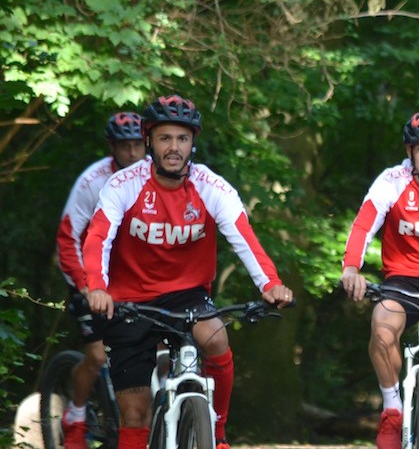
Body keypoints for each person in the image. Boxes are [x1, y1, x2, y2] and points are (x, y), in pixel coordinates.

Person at [83, 95, 294, 449]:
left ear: (193, 142)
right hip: (128, 300)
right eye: (165, 138)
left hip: (186, 293)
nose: (174, 147)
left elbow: (243, 238)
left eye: (182, 138)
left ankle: (220, 431)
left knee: (216, 338)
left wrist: (270, 283)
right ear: (149, 141)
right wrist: (97, 286)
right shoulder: (124, 184)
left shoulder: (210, 186)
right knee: (134, 416)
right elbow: (98, 237)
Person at [338, 110, 419, 449]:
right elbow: (364, 224)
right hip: (402, 281)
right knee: (382, 332)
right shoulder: (392, 180)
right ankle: (393, 409)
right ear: (410, 153)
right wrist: (351, 268)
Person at [55, 112, 147, 449]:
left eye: (139, 145)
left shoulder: (155, 175)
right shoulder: (92, 180)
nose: (134, 153)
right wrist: (85, 283)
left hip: (131, 277)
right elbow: (67, 238)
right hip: (86, 275)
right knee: (96, 356)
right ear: (112, 148)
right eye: (126, 146)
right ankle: (76, 416)